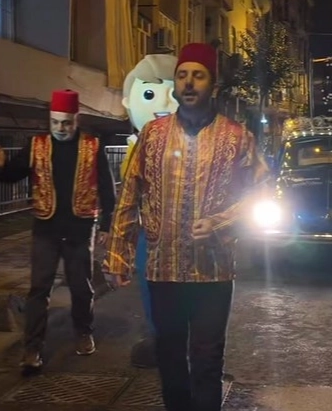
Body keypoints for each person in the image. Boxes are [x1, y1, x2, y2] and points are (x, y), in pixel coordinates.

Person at [103, 42, 270, 411]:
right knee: (170, 356)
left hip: (213, 272)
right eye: (182, 76)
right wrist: (118, 255)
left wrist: (221, 222)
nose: (189, 83)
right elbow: (129, 196)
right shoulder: (152, 135)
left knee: (208, 359)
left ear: (213, 85)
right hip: (163, 271)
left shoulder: (237, 137)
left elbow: (262, 192)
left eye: (198, 75)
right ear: (176, 84)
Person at [0, 89, 116, 374]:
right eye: (55, 122)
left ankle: (83, 332)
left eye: (66, 123)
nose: (60, 128)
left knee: (81, 286)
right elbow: (12, 174)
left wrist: (107, 225)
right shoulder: (36, 145)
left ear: (76, 119)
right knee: (39, 289)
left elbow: (107, 189)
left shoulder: (93, 146)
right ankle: (32, 348)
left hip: (80, 227)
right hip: (45, 228)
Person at [120, 53, 179, 369]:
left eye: (173, 93)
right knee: (149, 285)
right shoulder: (135, 146)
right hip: (147, 231)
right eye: (149, 94)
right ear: (127, 101)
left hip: (182, 232)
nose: (163, 103)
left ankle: (180, 340)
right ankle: (159, 338)